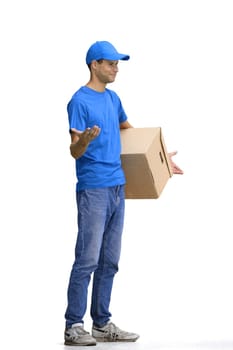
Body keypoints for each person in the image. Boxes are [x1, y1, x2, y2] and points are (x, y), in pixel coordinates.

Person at [64, 40, 183, 346]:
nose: (116, 68)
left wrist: (161, 160)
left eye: (118, 63)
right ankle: (74, 325)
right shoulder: (79, 101)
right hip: (94, 188)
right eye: (111, 63)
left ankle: (102, 324)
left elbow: (131, 133)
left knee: (110, 260)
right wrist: (85, 141)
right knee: (87, 259)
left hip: (119, 186)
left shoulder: (114, 99)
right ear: (95, 65)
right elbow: (74, 151)